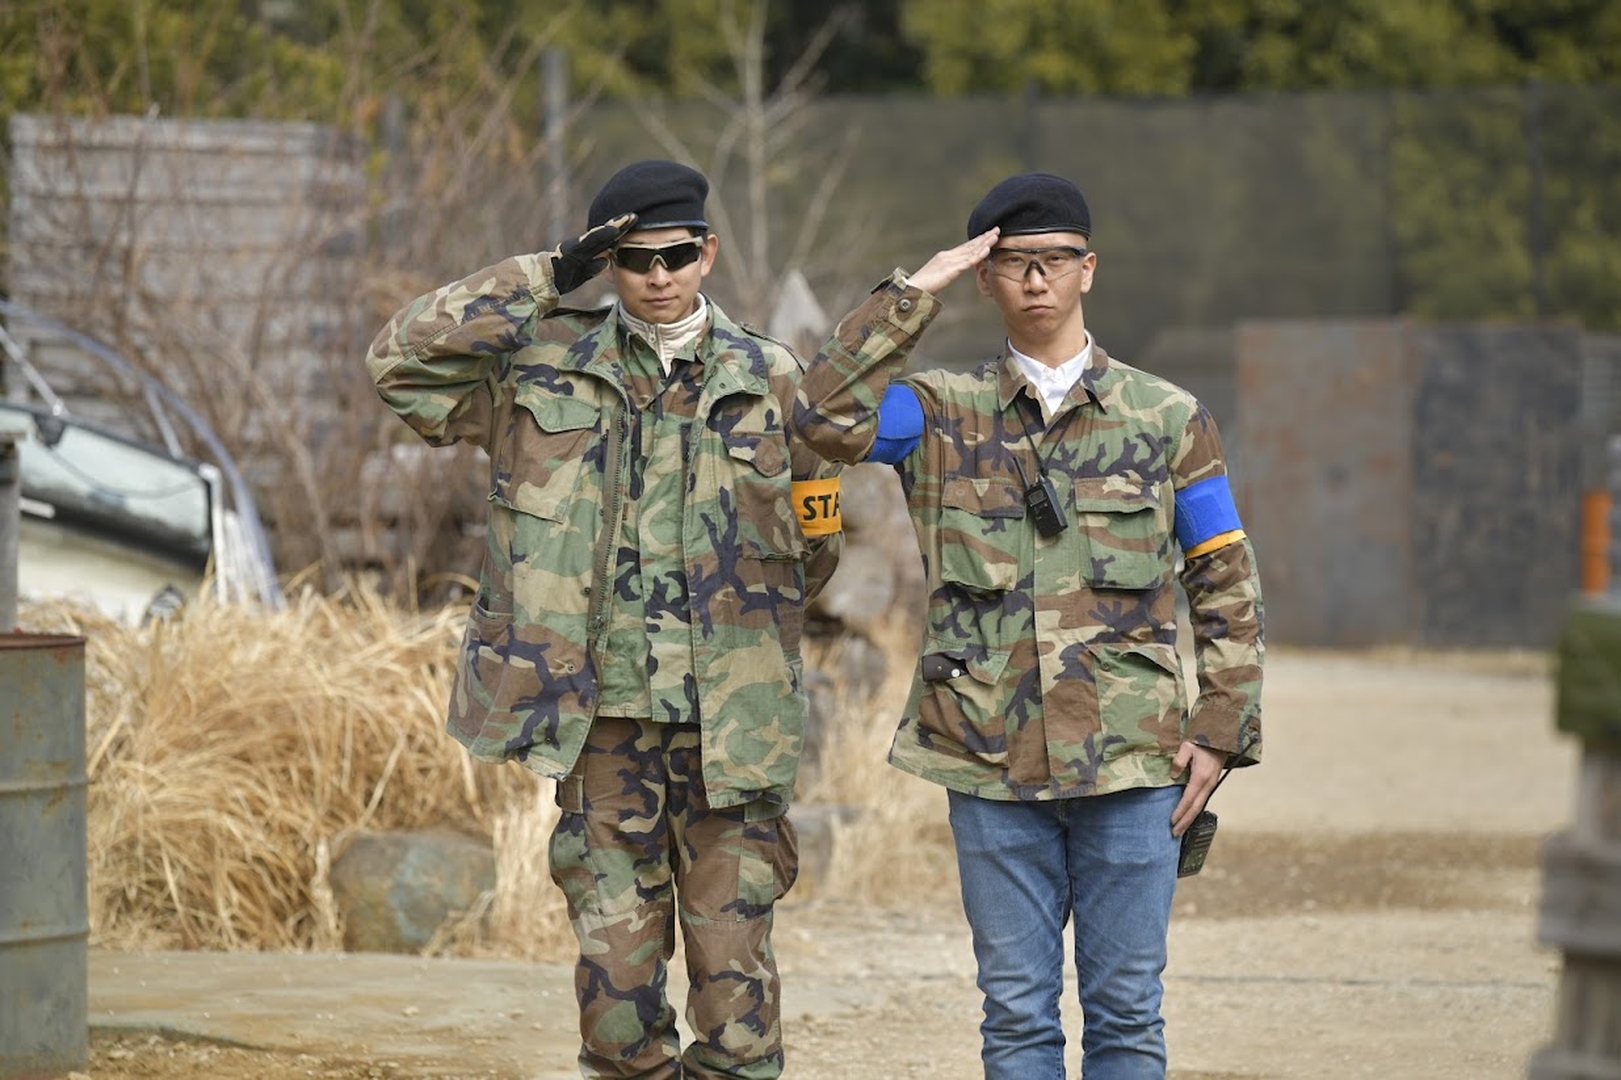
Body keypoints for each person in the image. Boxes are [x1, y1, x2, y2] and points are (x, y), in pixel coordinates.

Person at [367, 159, 843, 1080]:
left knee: (736, 1007)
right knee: (617, 1010)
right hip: (601, 728)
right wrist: (548, 275)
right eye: (632, 259)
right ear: (607, 263)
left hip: (729, 729)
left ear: (707, 253)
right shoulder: (540, 367)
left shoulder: (772, 379)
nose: (657, 276)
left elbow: (815, 547)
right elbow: (398, 361)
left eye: (675, 255)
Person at [789, 172, 1264, 1079]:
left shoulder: (1167, 419)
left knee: (1126, 1013)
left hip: (1133, 762)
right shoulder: (934, 412)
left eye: (1054, 260)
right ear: (984, 277)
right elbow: (820, 415)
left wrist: (1220, 731)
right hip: (987, 756)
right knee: (1014, 1016)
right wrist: (913, 291)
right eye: (1013, 263)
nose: (1036, 279)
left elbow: (1224, 579)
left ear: (1089, 269)